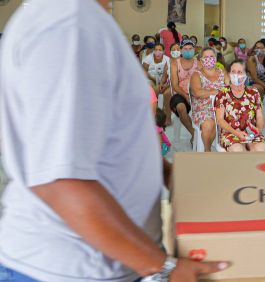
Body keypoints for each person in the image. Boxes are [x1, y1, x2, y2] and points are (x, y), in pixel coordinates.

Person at [0, 0, 229, 281]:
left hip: (109, 262)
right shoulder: (68, 25)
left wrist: (169, 174)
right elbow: (58, 179)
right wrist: (163, 267)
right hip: (64, 268)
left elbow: (103, 139)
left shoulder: (84, 20)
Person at [215, 60, 265, 152]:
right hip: (230, 133)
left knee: (260, 149)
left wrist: (258, 128)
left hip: (251, 133)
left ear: (246, 75)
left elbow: (260, 116)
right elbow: (220, 120)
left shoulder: (254, 93)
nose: (236, 75)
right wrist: (236, 133)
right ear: (229, 74)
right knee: (239, 150)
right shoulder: (222, 93)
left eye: (239, 72)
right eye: (233, 72)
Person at [189, 48, 228, 152]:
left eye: (212, 57)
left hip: (223, 107)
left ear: (216, 59)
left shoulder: (222, 72)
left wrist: (209, 92)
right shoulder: (196, 75)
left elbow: (230, 88)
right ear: (201, 60)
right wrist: (216, 92)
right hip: (203, 108)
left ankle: (231, 149)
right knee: (208, 124)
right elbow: (197, 93)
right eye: (206, 57)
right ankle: (207, 150)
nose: (209, 59)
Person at [169, 39, 199, 145]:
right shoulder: (175, 63)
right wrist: (186, 96)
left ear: (194, 50)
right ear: (181, 50)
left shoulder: (198, 63)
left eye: (190, 49)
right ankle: (194, 135)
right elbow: (175, 85)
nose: (188, 51)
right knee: (181, 107)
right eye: (185, 49)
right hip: (180, 93)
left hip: (196, 93)